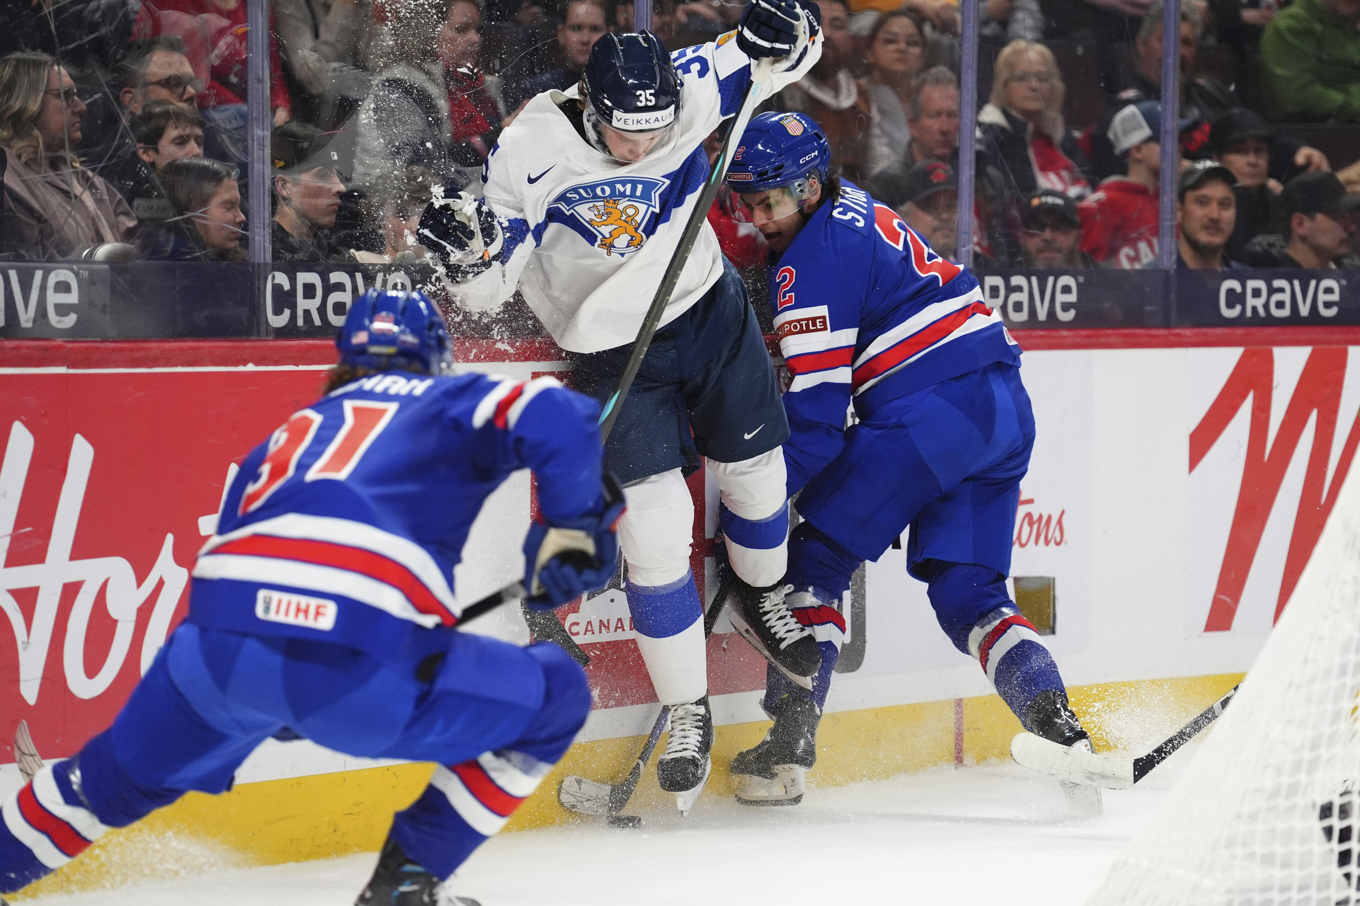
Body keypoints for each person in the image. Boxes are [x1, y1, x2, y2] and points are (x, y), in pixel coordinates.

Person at [0, 289, 623, 906]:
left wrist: (270, 695)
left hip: (213, 657)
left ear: (343, 361)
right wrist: (571, 528)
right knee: (557, 695)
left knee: (102, 787)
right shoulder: (447, 397)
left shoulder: (288, 437)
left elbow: (234, 575)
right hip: (351, 664)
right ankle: (405, 886)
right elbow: (557, 413)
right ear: (437, 358)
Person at [415, 12, 825, 809]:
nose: (643, 148)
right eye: (625, 136)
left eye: (658, 133)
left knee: (756, 474)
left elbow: (788, 54)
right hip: (610, 349)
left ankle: (763, 595)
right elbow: (489, 285)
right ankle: (686, 709)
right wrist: (463, 254)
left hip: (707, 309)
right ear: (591, 108)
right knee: (655, 527)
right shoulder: (531, 148)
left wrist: (793, 24)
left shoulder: (697, 84)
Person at [721, 111, 1095, 807]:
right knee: (971, 595)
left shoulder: (809, 266)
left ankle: (785, 752)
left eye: (767, 201)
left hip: (933, 413)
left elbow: (816, 430)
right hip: (1004, 410)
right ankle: (1061, 730)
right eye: (745, 201)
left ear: (807, 188)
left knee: (813, 561)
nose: (756, 218)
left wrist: (747, 508)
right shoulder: (857, 203)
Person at [353, 0, 506, 194]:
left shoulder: (478, 86)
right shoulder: (399, 90)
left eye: (477, 30)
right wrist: (503, 135)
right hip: (398, 207)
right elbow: (426, 167)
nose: (475, 39)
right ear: (426, 34)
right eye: (461, 30)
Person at [0, 52, 136, 260]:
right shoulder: (7, 181)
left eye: (76, 94)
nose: (81, 107)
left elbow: (136, 253)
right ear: (25, 101)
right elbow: (28, 275)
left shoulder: (85, 179)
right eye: (65, 95)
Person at [772, 0, 873, 184]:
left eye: (837, 25)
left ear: (851, 40)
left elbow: (879, 166)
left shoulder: (863, 94)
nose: (825, 33)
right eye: (815, 23)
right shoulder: (776, 90)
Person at [1079, 100, 1177, 269]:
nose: (1177, 147)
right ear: (1137, 150)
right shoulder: (1104, 204)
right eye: (1166, 140)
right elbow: (1089, 277)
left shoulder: (1174, 201)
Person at [1260, 0, 1360, 123]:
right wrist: (1353, 106)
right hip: (1312, 130)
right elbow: (1297, 95)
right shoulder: (1292, 25)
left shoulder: (1349, 23)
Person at [105, 101, 204, 224]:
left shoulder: (217, 188)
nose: (196, 152)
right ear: (146, 152)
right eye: (180, 143)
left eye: (199, 142)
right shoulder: (134, 206)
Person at [503, 0, 610, 113]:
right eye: (576, 28)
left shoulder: (622, 89)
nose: (585, 39)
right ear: (561, 34)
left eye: (595, 29)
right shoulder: (538, 90)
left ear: (610, 36)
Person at [860, 10, 929, 180]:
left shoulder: (931, 98)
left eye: (913, 43)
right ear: (869, 50)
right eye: (890, 41)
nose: (902, 48)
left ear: (923, 56)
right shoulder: (854, 96)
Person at [136, 157, 245, 261]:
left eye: (238, 206)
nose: (241, 218)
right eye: (228, 207)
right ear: (189, 210)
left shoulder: (237, 268)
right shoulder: (160, 273)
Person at [1243, 172, 1360, 268]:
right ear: (1300, 224)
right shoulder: (1265, 286)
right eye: (1337, 217)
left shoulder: (1353, 279)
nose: (1351, 228)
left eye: (1348, 217)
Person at [271, 122, 350, 263]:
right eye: (323, 175)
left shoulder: (336, 254)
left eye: (337, 175)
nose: (340, 187)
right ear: (284, 186)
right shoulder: (260, 256)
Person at [1210, 108, 1279, 263]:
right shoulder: (1210, 210)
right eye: (1239, 152)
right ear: (1217, 160)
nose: (1253, 161)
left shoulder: (1281, 204)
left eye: (1259, 151)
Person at [874, 159, 958, 257]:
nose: (944, 216)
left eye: (951, 206)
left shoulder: (975, 268)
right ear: (903, 216)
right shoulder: (890, 269)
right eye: (931, 207)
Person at [1176, 159, 1239, 269]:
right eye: (1202, 202)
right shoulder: (1150, 281)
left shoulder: (1247, 281)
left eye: (1225, 205)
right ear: (1179, 210)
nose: (1214, 215)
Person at [1018, 188, 1091, 267]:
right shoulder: (1003, 277)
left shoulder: (1102, 278)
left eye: (1060, 227)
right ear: (1021, 236)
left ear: (1078, 237)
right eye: (1036, 227)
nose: (1048, 237)